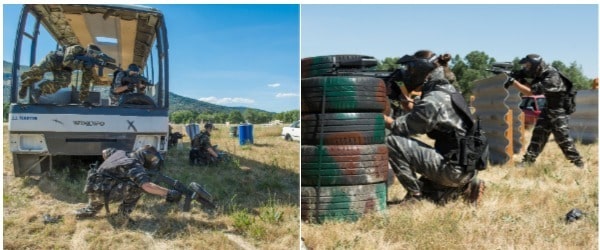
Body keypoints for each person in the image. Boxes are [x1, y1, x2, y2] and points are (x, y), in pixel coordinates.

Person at [384, 50, 486, 205]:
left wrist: (376, 115)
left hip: (452, 169)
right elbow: (433, 118)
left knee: (392, 141)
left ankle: (414, 196)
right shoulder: (450, 91)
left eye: (411, 69)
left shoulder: (434, 99)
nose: (408, 73)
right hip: (465, 167)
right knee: (432, 198)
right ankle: (468, 186)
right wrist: (410, 107)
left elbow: (403, 127)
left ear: (422, 72)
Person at [505, 54, 585, 168]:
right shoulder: (541, 72)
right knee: (538, 135)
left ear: (535, 65)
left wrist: (514, 82)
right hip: (548, 108)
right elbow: (531, 87)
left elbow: (531, 92)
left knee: (563, 138)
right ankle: (528, 161)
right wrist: (519, 79)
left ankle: (578, 163)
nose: (526, 68)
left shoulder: (552, 76)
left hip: (559, 110)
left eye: (528, 65)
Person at [75, 145, 183, 221]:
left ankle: (87, 211)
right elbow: (147, 186)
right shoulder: (134, 164)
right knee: (137, 188)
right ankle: (122, 216)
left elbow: (104, 152)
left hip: (93, 189)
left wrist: (112, 169)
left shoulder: (119, 153)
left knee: (102, 195)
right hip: (105, 193)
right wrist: (168, 192)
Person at [19, 44, 103, 103]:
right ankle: (25, 85)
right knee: (37, 73)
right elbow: (66, 61)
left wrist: (83, 100)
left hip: (64, 69)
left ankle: (39, 91)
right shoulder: (77, 49)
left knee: (64, 82)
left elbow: (85, 83)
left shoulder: (88, 66)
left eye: (96, 56)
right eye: (93, 54)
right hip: (53, 59)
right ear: (88, 52)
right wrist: (82, 63)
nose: (94, 56)